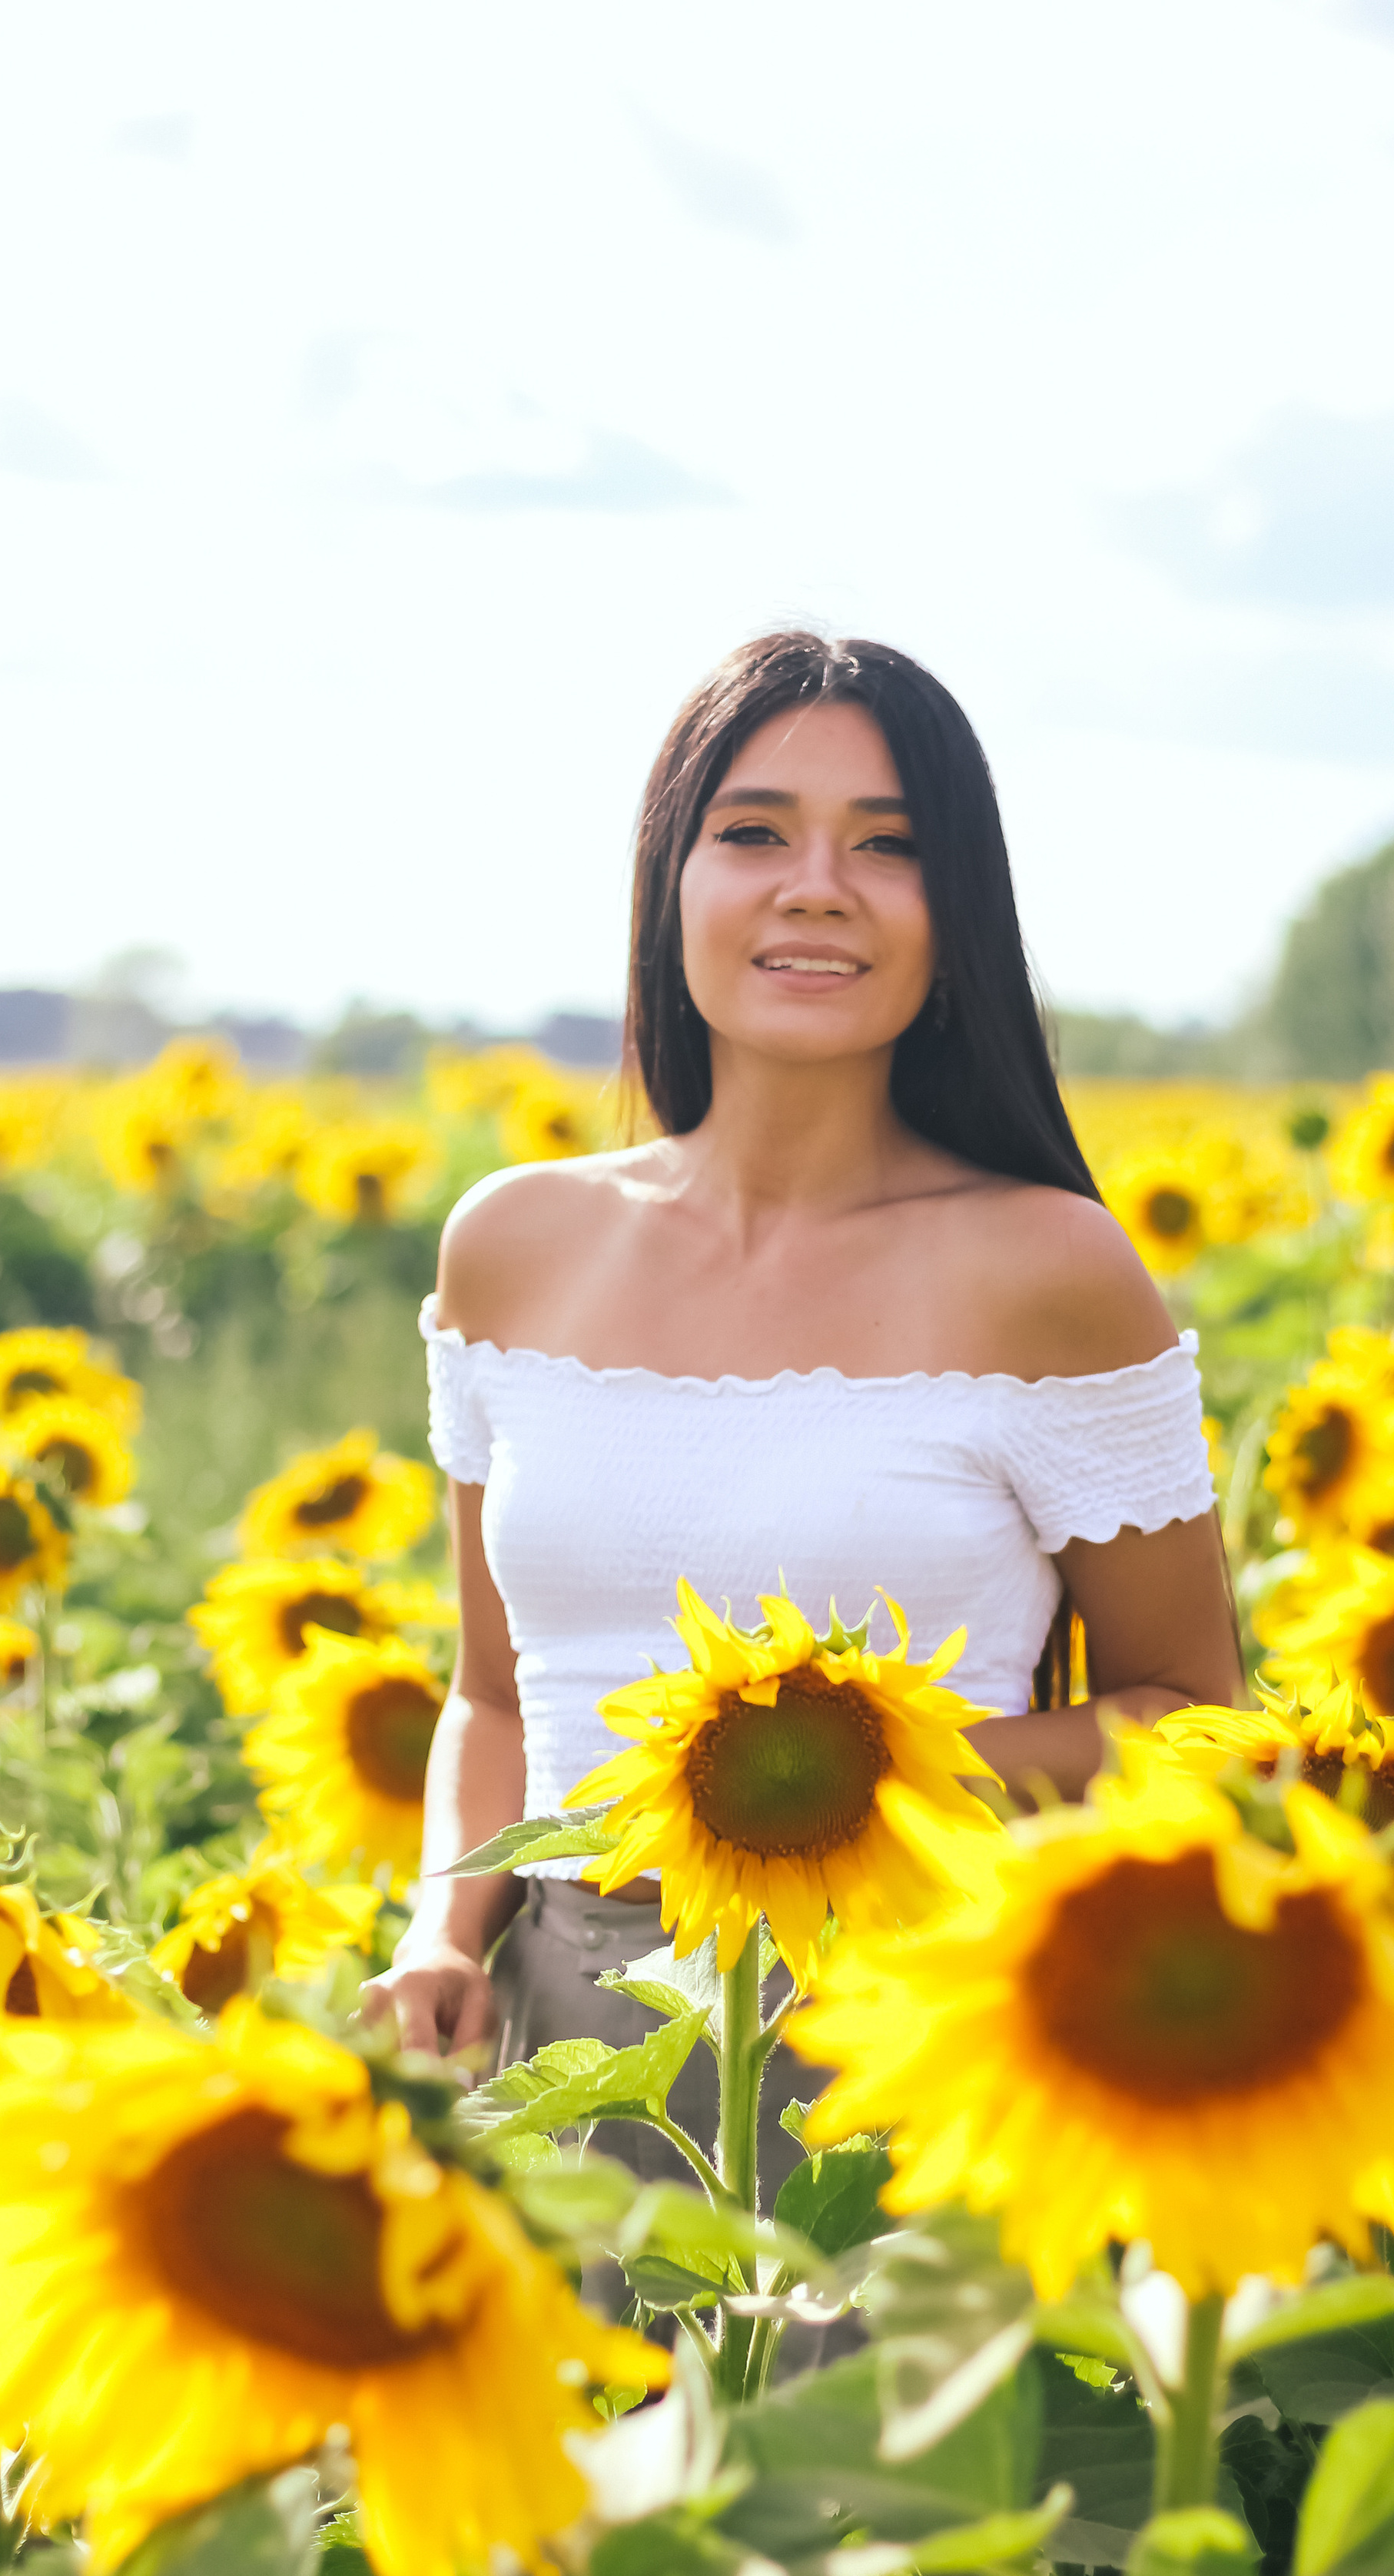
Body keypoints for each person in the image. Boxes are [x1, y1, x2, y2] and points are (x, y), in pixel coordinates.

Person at [364, 631, 1243, 2189]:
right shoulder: (511, 1246)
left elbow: (1196, 1718)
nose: (815, 885)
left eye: (886, 846)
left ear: (952, 916)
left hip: (905, 2021)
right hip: (555, 2036)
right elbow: (496, 1700)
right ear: (671, 884)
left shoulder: (1048, 1268)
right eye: (754, 832)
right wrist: (444, 1924)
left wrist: (863, 1766)